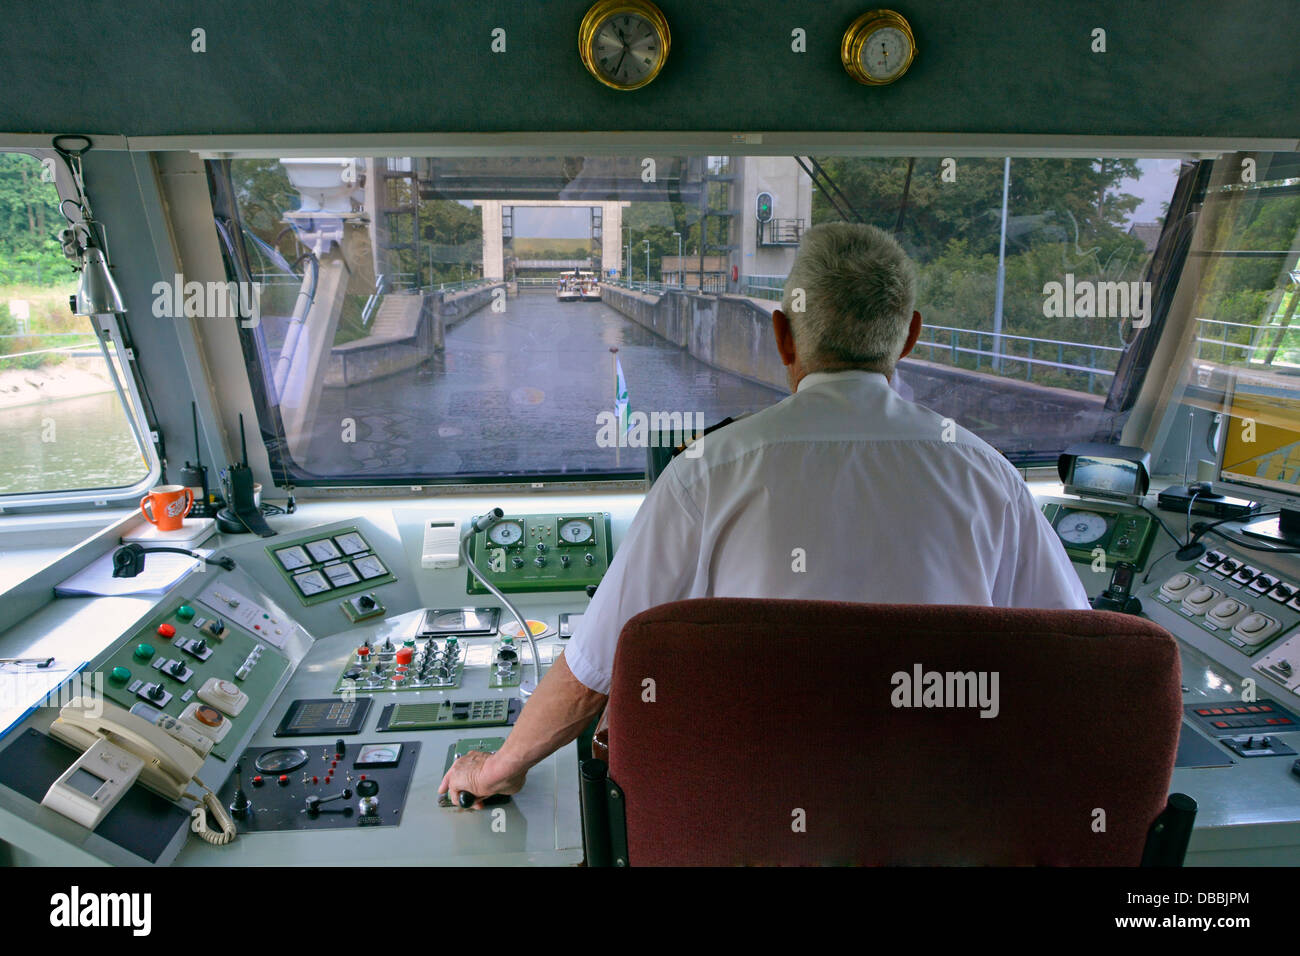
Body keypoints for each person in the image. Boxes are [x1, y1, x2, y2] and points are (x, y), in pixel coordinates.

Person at [440, 222, 1091, 807]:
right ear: (910, 335)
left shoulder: (707, 473)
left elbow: (593, 672)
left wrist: (498, 767)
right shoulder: (990, 480)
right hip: (938, 833)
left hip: (745, 836)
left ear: (782, 334)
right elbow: (1079, 663)